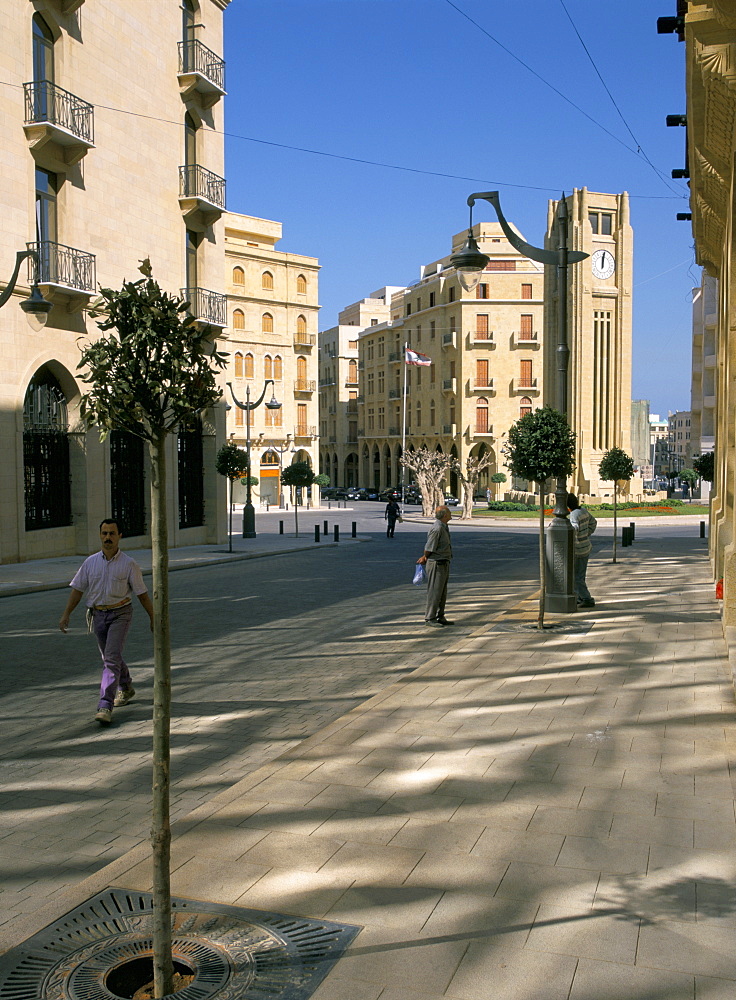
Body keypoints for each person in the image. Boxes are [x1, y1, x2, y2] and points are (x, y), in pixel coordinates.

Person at [59, 519, 154, 725]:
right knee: (111, 657)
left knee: (110, 659)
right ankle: (126, 687)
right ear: (100, 535)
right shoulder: (90, 562)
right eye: (104, 533)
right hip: (98, 616)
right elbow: (77, 590)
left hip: (121, 614)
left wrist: (153, 617)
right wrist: (66, 614)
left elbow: (142, 594)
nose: (107, 537)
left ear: (120, 536)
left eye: (112, 533)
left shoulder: (129, 564)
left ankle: (105, 705)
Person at [417, 505, 454, 626]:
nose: (450, 514)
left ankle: (440, 616)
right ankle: (430, 618)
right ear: (444, 515)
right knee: (434, 591)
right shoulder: (437, 528)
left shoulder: (444, 526)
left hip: (444, 562)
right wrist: (425, 556)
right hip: (436, 563)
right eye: (449, 512)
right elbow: (429, 547)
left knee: (442, 592)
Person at [567, 493, 597, 609]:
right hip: (586, 546)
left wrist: (575, 539)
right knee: (580, 575)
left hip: (578, 549)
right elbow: (593, 523)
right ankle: (579, 597)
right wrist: (587, 533)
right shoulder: (583, 511)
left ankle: (587, 599)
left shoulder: (574, 515)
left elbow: (574, 529)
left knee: (577, 577)